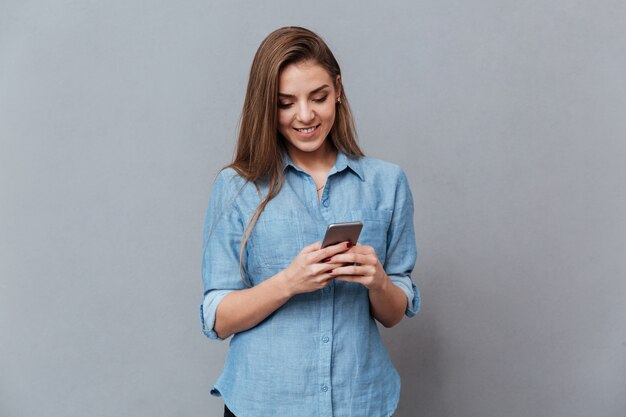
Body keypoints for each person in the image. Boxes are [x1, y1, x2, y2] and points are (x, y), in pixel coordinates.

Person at [200, 26, 420, 417]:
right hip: (262, 403)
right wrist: (289, 282)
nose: (305, 115)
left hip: (360, 400)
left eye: (318, 97)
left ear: (338, 88)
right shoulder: (237, 187)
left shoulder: (386, 184)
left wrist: (378, 280)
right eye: (285, 103)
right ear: (266, 106)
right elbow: (217, 318)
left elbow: (393, 314)